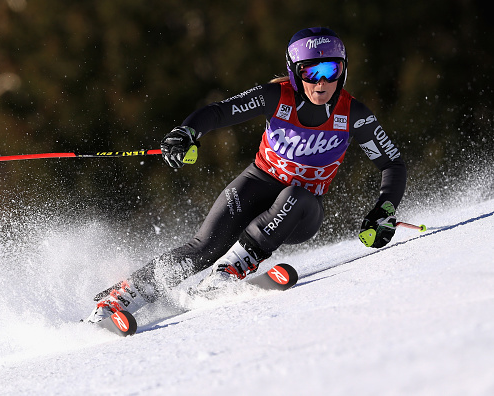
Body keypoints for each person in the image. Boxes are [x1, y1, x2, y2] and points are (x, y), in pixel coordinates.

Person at [86, 27, 406, 323]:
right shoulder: (276, 96)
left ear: (343, 70)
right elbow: (220, 111)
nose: (321, 82)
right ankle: (120, 298)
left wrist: (385, 210)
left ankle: (228, 271)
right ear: (295, 73)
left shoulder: (353, 114)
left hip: (301, 211)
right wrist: (186, 133)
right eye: (310, 71)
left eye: (330, 70)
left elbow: (392, 164)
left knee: (295, 194)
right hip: (256, 183)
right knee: (203, 246)